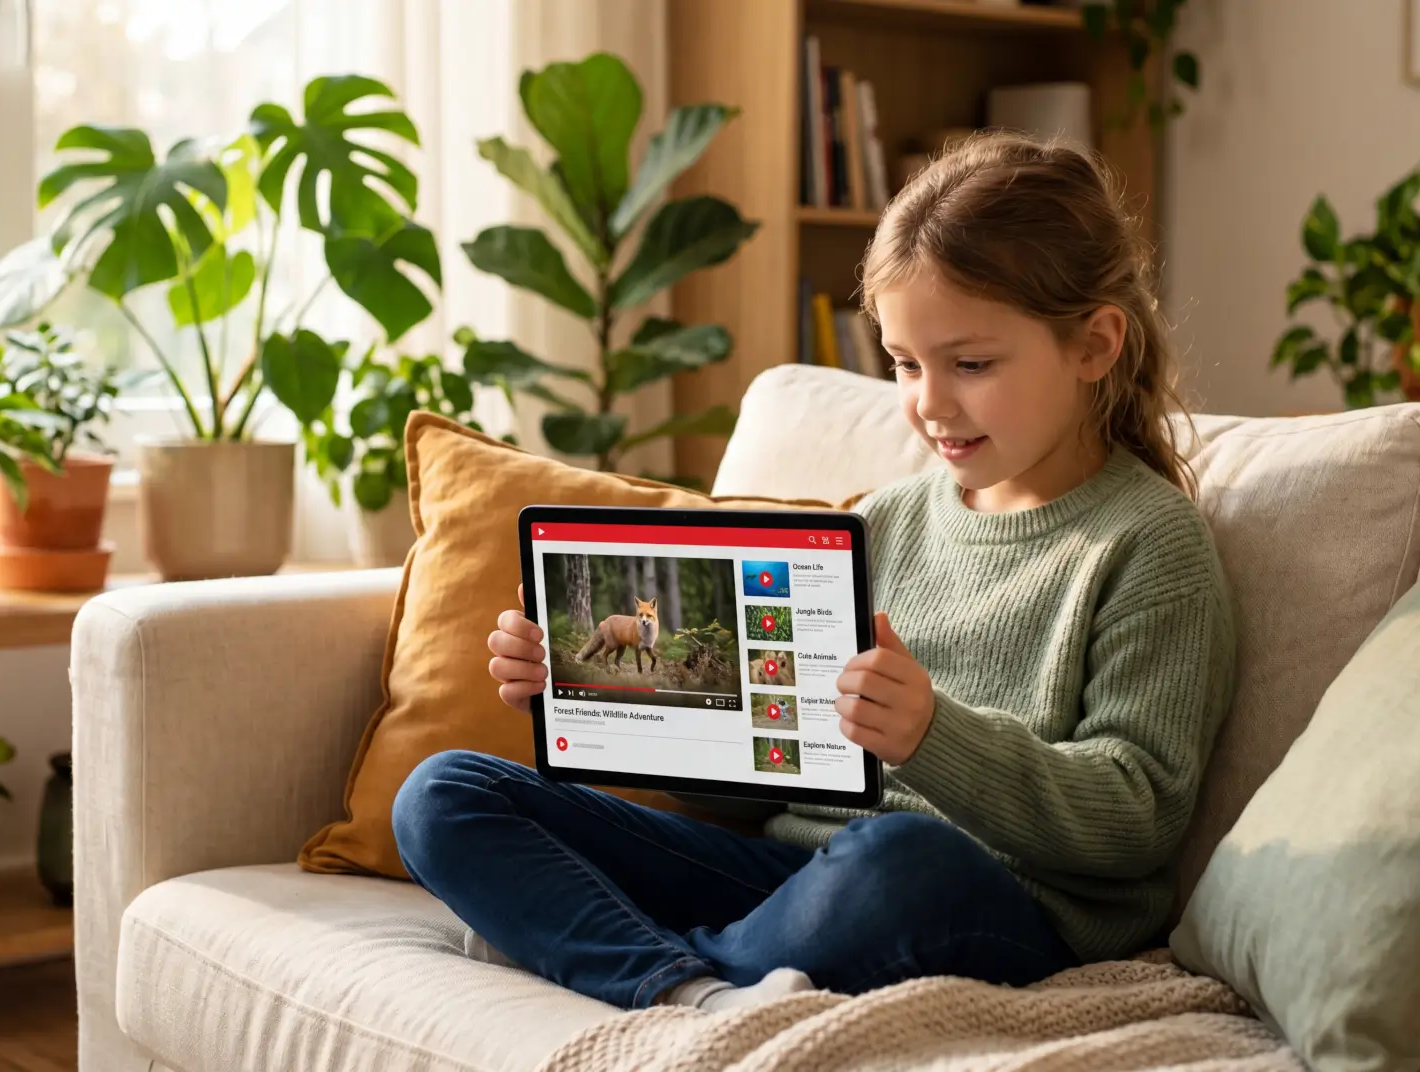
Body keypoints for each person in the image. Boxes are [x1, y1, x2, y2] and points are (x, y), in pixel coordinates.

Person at [391, 133, 1237, 1013]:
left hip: (980, 899)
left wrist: (932, 736)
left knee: (901, 860)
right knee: (443, 795)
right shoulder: (884, 521)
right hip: (790, 877)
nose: (930, 403)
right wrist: (585, 693)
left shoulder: (1147, 546)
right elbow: (760, 778)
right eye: (906, 364)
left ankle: (613, 951)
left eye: (971, 364)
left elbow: (1137, 819)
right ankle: (689, 984)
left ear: (1095, 344)